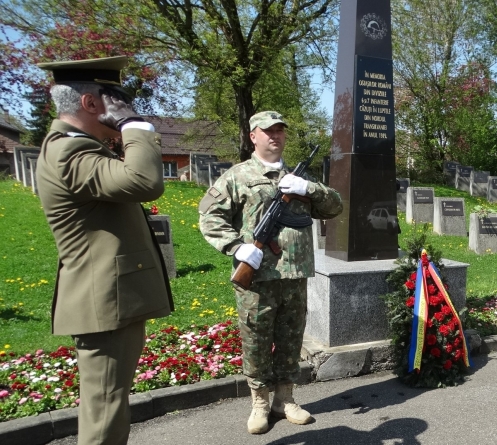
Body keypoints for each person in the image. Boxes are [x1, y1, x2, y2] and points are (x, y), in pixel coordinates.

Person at [34, 56, 174, 444]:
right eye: (117, 99)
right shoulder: (70, 152)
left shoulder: (79, 147)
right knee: (104, 416)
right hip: (103, 303)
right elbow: (144, 180)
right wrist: (134, 125)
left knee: (108, 408)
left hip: (109, 300)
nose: (124, 107)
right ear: (91, 103)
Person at [198, 111, 343, 434]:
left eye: (279, 130)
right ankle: (260, 403)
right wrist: (236, 247)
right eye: (267, 131)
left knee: (291, 340)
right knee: (256, 341)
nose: (275, 136)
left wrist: (310, 188)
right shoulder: (238, 176)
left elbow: (335, 207)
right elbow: (209, 216)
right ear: (253, 136)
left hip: (294, 276)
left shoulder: (299, 177)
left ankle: (285, 399)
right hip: (257, 278)